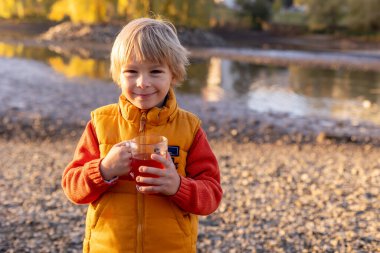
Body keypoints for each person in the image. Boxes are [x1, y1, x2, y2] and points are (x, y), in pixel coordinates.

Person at [62, 17, 223, 253]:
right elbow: (72, 187)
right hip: (108, 247)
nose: (142, 82)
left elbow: (212, 195)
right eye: (131, 71)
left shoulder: (189, 129)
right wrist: (103, 169)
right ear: (118, 75)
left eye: (155, 71)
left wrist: (177, 185)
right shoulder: (100, 123)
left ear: (174, 75)